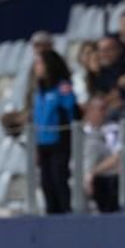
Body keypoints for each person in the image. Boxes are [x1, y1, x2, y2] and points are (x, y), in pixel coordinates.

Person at [32, 49, 77, 213]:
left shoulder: (62, 87)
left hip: (59, 142)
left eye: (39, 63)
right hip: (43, 144)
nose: (36, 67)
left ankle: (66, 217)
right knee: (46, 184)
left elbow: (71, 111)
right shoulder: (39, 91)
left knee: (59, 181)